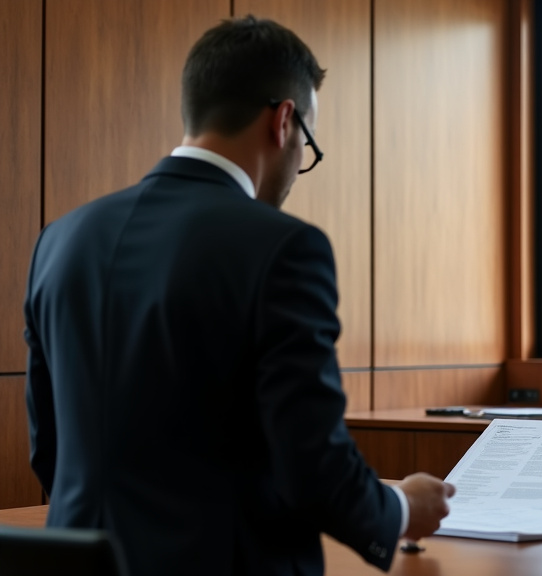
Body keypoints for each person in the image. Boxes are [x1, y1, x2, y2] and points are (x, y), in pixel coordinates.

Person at [23, 16, 453, 575]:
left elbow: (50, 449)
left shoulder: (60, 240)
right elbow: (310, 465)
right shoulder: (283, 248)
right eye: (307, 144)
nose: (298, 166)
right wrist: (401, 508)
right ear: (284, 121)